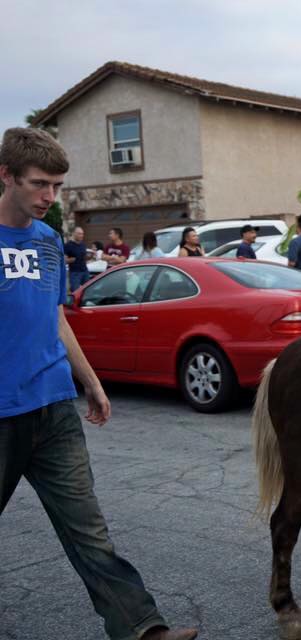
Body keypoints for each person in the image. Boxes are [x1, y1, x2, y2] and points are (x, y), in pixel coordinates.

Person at [0, 127, 198, 640]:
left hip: (53, 408)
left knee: (89, 530)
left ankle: (142, 628)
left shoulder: (48, 242)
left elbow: (55, 317)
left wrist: (91, 381)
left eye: (57, 186)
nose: (49, 196)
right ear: (6, 176)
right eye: (39, 184)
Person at [64, 225, 91, 291]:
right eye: (79, 234)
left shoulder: (83, 244)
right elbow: (64, 260)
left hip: (85, 271)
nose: (81, 235)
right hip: (75, 273)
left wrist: (90, 256)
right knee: (76, 292)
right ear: (74, 234)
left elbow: (84, 257)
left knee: (88, 290)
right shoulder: (68, 245)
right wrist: (70, 260)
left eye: (82, 234)